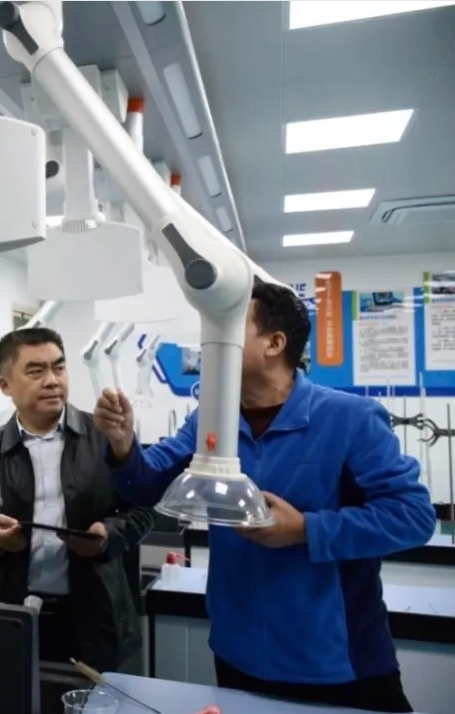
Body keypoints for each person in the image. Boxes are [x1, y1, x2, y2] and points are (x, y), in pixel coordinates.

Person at [94, 280, 437, 713]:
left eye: (230, 323)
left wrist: (305, 530)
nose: (211, 337)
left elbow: (412, 517)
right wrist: (123, 443)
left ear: (275, 343)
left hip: (338, 661)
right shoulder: (209, 419)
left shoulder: (350, 419)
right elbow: (146, 484)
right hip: (238, 653)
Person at [0, 327, 155, 671]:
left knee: (89, 698)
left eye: (59, 368)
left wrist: (107, 535)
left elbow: (143, 509)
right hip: (12, 615)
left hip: (93, 616)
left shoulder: (105, 437)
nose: (52, 381)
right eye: (35, 371)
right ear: (5, 385)